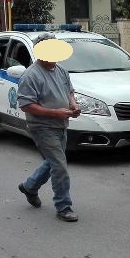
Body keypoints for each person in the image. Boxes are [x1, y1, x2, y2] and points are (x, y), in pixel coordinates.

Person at [16, 33, 82, 222]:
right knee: (60, 165)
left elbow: (69, 91)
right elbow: (26, 105)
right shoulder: (31, 75)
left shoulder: (61, 70)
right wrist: (55, 113)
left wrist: (73, 105)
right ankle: (63, 206)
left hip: (61, 124)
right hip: (42, 126)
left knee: (54, 161)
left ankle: (29, 186)